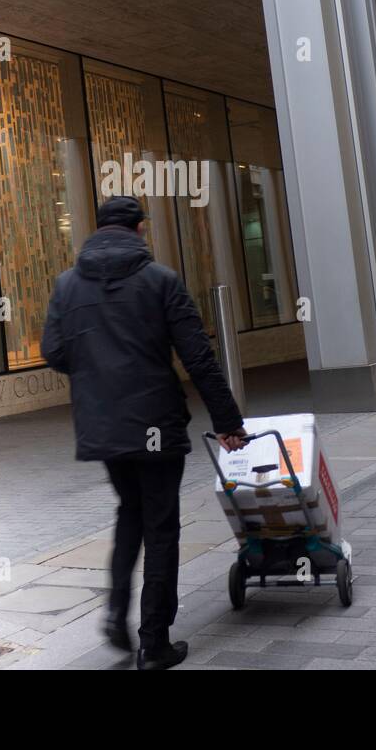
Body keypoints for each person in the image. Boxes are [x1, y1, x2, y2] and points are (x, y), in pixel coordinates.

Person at [41, 196, 246, 670]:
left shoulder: (68, 285)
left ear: (97, 231)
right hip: (155, 421)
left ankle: (116, 615)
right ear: (138, 230)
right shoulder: (161, 281)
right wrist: (229, 423)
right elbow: (198, 357)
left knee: (129, 511)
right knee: (160, 526)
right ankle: (154, 643)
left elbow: (53, 351)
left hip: (104, 426)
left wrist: (98, 367)